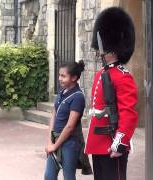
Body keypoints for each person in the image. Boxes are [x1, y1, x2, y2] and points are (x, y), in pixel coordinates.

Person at [85, 7, 138, 180]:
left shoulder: (123, 76)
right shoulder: (102, 73)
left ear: (112, 48)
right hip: (98, 142)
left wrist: (120, 142)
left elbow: (128, 112)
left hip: (111, 142)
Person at [44, 60, 92, 180]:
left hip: (70, 143)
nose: (59, 78)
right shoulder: (61, 92)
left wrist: (55, 146)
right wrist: (50, 141)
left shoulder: (77, 97)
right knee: (49, 176)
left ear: (74, 77)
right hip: (55, 139)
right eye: (59, 75)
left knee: (68, 177)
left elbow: (70, 126)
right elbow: (53, 115)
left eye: (63, 76)